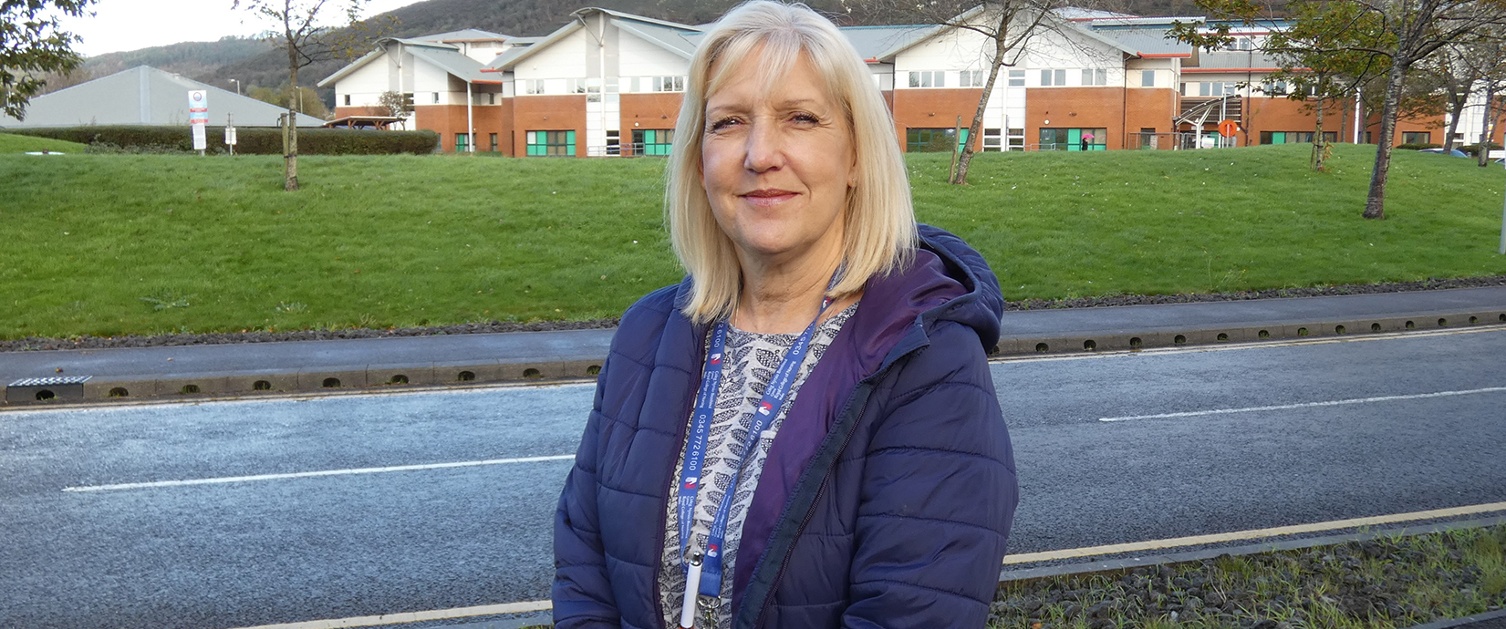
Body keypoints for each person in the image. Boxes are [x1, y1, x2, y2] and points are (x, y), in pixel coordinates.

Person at [552, 2, 1018, 628]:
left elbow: (912, 613)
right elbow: (586, 572)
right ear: (698, 159)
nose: (760, 153)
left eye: (800, 119)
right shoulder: (646, 334)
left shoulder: (925, 359)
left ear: (856, 157)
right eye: (729, 122)